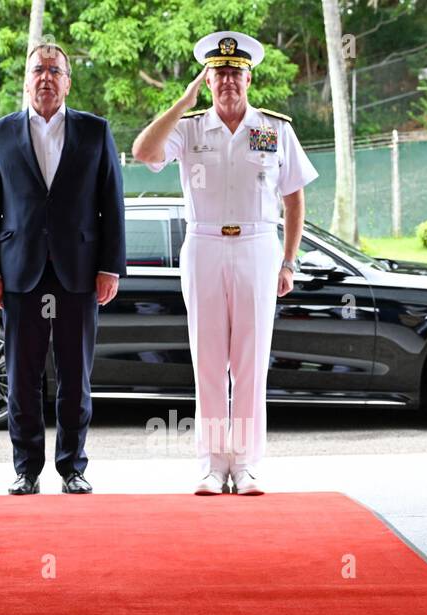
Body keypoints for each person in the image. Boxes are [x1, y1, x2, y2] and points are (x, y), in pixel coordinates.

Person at [132, 32, 318, 496]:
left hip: (257, 245)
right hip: (205, 245)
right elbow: (143, 152)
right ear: (207, 80)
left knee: (250, 361)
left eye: (236, 73)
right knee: (209, 361)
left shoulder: (273, 129)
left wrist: (289, 262)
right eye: (219, 74)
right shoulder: (190, 128)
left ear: (250, 77)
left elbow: (294, 199)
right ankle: (213, 466)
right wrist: (182, 101)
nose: (229, 81)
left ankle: (248, 464)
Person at [0, 42, 126, 495]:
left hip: (78, 272)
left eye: (54, 70)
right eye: (38, 69)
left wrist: (110, 267)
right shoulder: (0, 133)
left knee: (75, 376)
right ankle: (26, 469)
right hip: (20, 272)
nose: (45, 77)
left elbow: (111, 206)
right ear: (26, 78)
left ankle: (73, 468)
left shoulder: (95, 132)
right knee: (22, 376)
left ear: (67, 80)